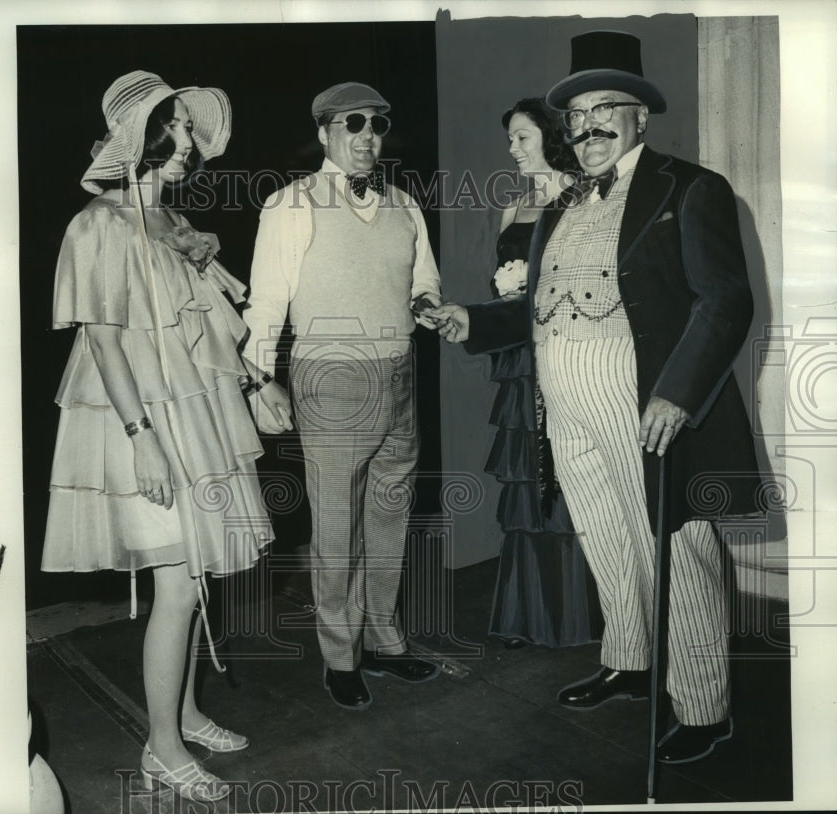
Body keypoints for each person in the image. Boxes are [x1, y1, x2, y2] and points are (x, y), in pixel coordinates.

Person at [432, 31, 762, 764]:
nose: (589, 126)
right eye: (577, 115)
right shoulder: (562, 204)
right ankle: (631, 660)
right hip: (563, 399)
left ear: (642, 115)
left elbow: (724, 302)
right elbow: (543, 304)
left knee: (677, 546)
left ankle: (706, 708)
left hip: (639, 398)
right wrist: (474, 323)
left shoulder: (690, 187)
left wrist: (677, 394)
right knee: (605, 534)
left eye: (607, 108)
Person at [40, 70, 291, 801]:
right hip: (138, 421)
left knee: (196, 577)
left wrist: (256, 382)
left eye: (186, 129)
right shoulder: (96, 226)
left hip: (194, 415)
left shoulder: (171, 225)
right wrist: (142, 436)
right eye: (170, 130)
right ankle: (162, 748)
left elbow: (212, 328)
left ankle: (182, 713)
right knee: (177, 583)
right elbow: (106, 344)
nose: (185, 144)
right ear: (135, 140)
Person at [242, 82, 442, 710]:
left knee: (391, 514)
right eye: (352, 125)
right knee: (336, 524)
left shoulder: (405, 204)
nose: (366, 137)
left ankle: (385, 641)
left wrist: (430, 308)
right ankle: (339, 655)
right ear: (325, 131)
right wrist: (256, 380)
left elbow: (424, 281)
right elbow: (267, 302)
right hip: (330, 377)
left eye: (377, 126)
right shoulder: (290, 204)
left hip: (400, 373)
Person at [454, 98, 603, 648]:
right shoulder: (512, 207)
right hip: (520, 358)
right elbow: (503, 287)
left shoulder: (585, 197)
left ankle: (581, 614)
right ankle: (531, 613)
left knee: (570, 471)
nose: (512, 150)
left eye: (521, 138)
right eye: (510, 140)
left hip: (568, 352)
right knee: (528, 476)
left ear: (548, 135)